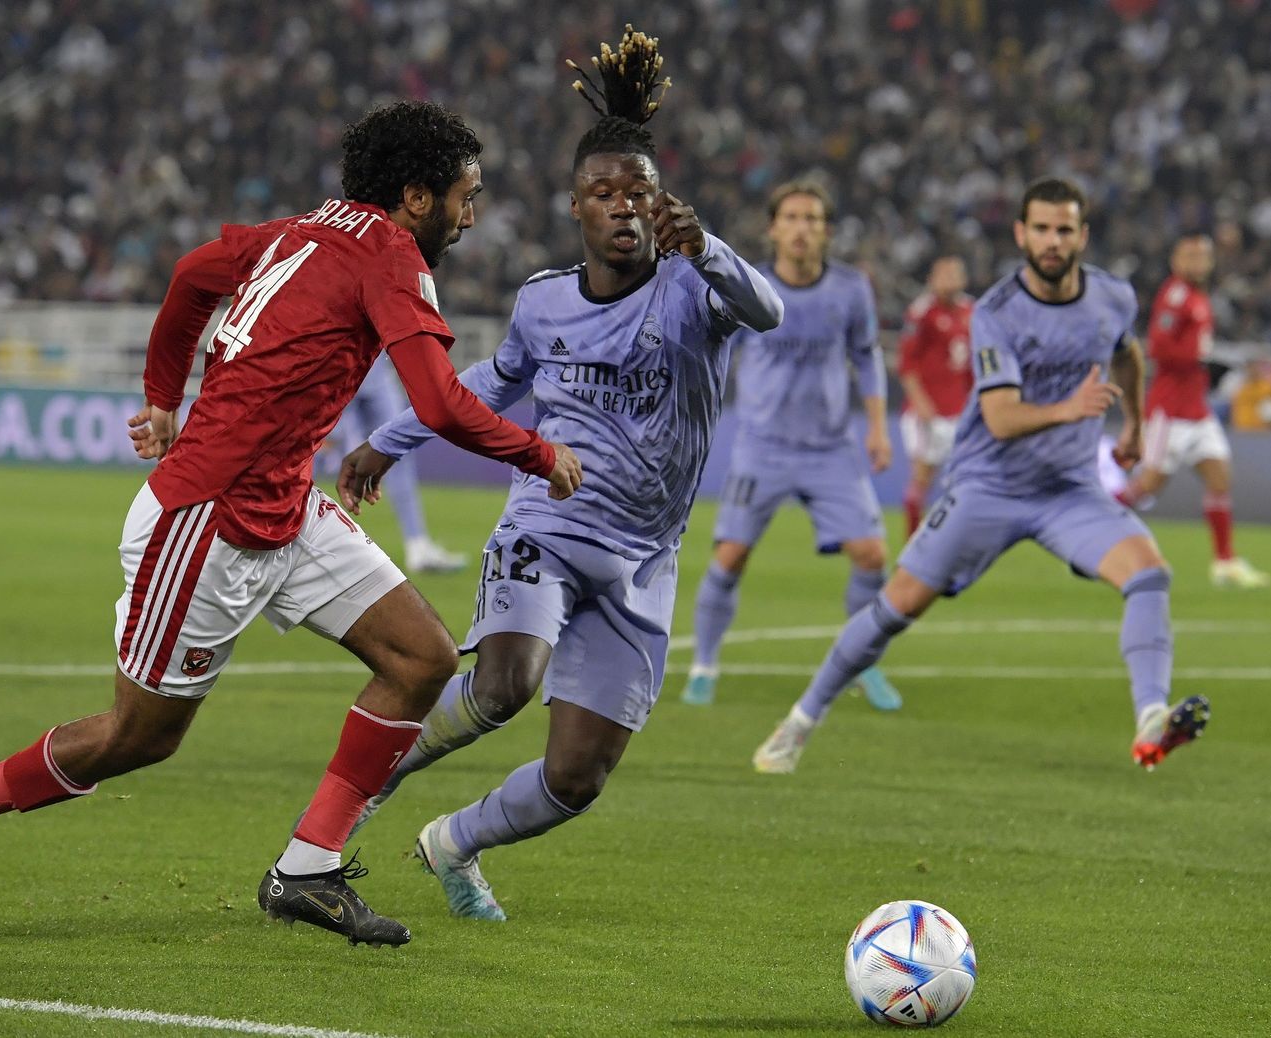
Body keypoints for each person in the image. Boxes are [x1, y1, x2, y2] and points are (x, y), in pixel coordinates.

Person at [0, 100, 583, 949]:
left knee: (423, 657)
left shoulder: (294, 232)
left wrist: (162, 395)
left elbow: (189, 277)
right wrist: (537, 454)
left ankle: (307, 868)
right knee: (139, 738)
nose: (471, 215)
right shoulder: (390, 255)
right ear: (414, 196)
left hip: (285, 504)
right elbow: (438, 402)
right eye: (464, 196)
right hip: (206, 518)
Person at [332, 26, 782, 921]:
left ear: (664, 207)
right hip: (549, 523)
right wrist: (390, 439)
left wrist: (714, 246)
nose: (622, 207)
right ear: (574, 207)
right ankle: (370, 780)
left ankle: (455, 843)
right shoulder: (543, 301)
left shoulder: (697, 285)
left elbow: (768, 311)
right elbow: (485, 388)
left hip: (646, 557)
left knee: (579, 775)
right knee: (506, 683)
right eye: (601, 192)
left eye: (639, 194)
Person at [751, 177, 1209, 775]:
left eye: (1064, 229)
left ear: (1082, 235)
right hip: (987, 488)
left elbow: (1128, 352)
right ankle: (799, 722)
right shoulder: (996, 312)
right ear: (1021, 234)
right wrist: (1068, 410)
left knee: (1149, 575)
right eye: (1041, 229)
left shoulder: (1112, 296)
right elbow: (1000, 416)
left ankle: (1151, 717)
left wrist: (1135, 427)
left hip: (1068, 491)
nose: (1052, 240)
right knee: (896, 608)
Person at [679, 180, 900, 711]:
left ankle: (861, 664)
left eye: (813, 219)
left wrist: (877, 426)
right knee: (730, 557)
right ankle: (705, 664)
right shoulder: (748, 284)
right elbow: (709, 348)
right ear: (774, 228)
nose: (802, 228)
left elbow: (867, 357)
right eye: (793, 218)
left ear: (826, 231)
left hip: (831, 448)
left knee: (873, 555)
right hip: (762, 447)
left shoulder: (850, 288)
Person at [1117, 234, 1270, 588]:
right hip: (1168, 411)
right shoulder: (1175, 295)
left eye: (1203, 256)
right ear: (1176, 260)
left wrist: (1207, 365)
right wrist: (1204, 361)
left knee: (1219, 478)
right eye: (1190, 256)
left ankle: (1224, 562)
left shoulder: (1199, 296)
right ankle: (1085, 532)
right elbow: (1160, 348)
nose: (1197, 262)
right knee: (1148, 486)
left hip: (1196, 410)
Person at [349, 361, 469, 574]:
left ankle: (417, 545)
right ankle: (316, 547)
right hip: (336, 367)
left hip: (374, 371)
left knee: (397, 452)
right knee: (337, 457)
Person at [896, 256, 974, 539]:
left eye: (954, 274)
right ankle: (913, 545)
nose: (949, 280)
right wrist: (920, 402)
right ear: (932, 279)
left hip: (960, 410)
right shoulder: (922, 313)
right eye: (944, 274)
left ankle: (951, 542)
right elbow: (906, 363)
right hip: (927, 412)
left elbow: (973, 365)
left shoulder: (971, 311)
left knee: (964, 483)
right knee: (921, 479)